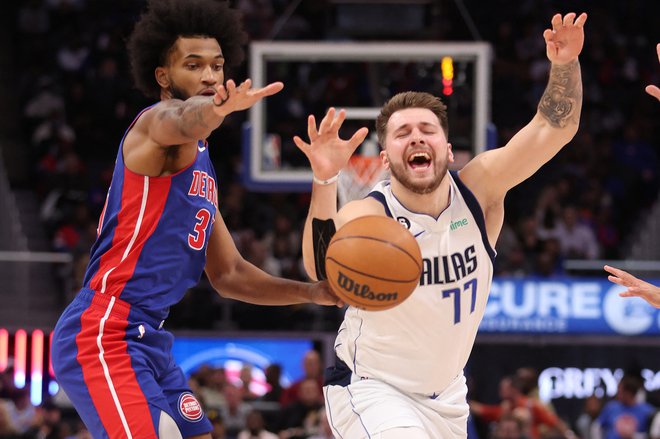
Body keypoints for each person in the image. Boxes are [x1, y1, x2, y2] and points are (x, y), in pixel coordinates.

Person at [50, 1, 341, 438]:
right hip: (103, 331)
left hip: (148, 337)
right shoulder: (155, 125)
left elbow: (230, 273)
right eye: (194, 65)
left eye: (217, 66)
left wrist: (313, 292)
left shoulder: (203, 169)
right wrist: (216, 111)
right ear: (163, 76)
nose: (209, 76)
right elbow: (184, 120)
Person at [294, 12, 587, 438]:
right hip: (373, 387)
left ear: (448, 151)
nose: (416, 137)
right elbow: (321, 269)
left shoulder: (479, 190)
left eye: (427, 130)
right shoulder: (371, 214)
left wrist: (565, 65)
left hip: (448, 396)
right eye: (402, 133)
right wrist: (324, 180)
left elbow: (554, 128)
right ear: (384, 158)